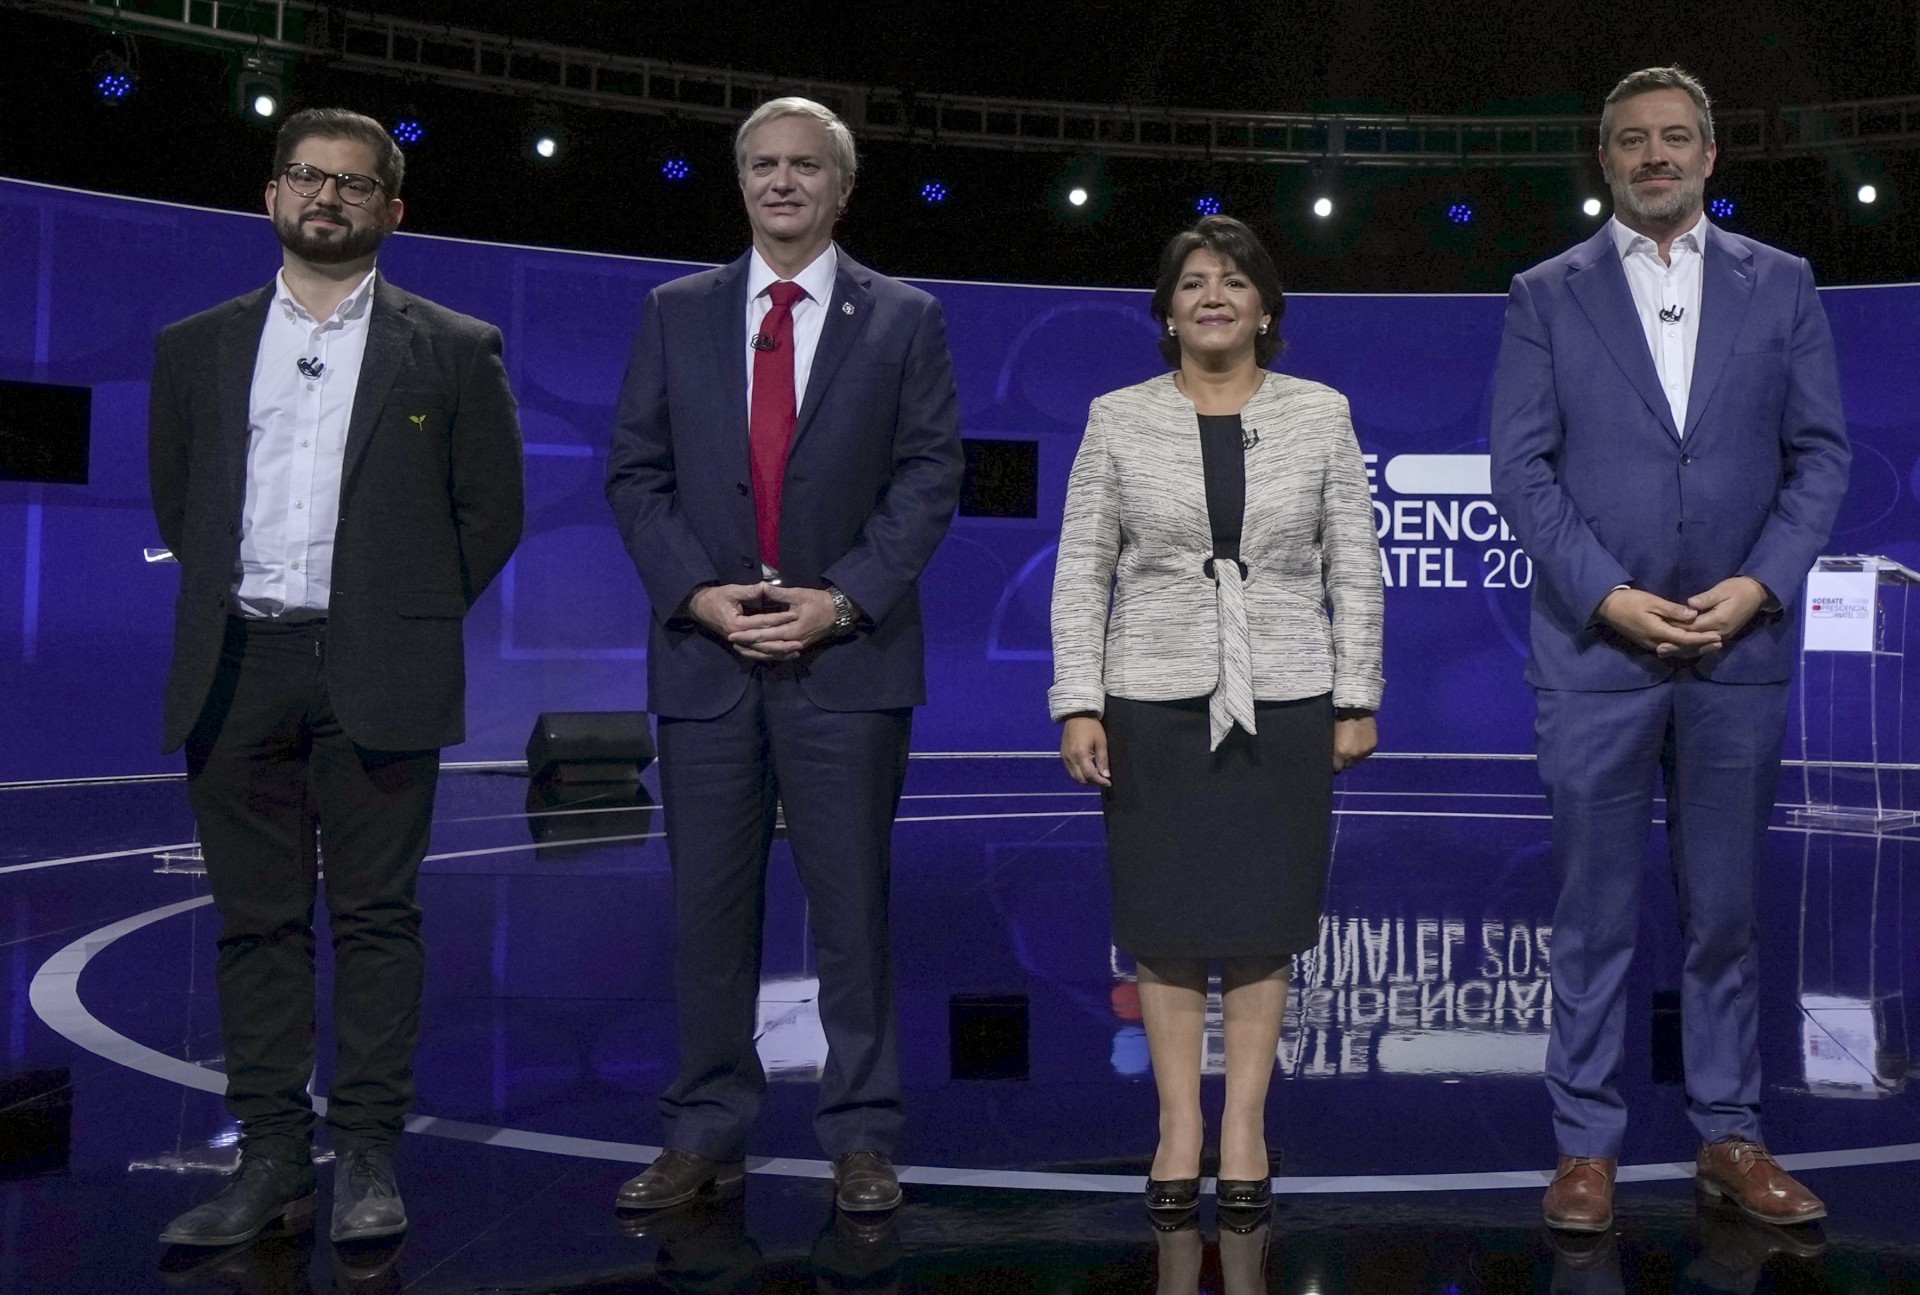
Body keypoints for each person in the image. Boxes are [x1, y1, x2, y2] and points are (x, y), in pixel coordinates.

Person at [148, 107, 524, 1247]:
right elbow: (183, 499)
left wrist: (396, 617)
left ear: (390, 211)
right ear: (271, 196)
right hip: (237, 664)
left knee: (376, 921)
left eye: (355, 185)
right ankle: (270, 1159)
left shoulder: (455, 347)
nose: (328, 197)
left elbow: (490, 514)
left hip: (377, 669)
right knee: (255, 926)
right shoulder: (195, 345)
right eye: (307, 177)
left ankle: (365, 1154)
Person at [1489, 66, 1850, 1233]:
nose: (1656, 156)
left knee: (1725, 912)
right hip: (1600, 653)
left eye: (1676, 138)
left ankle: (1729, 1134)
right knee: (1593, 912)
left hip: (1738, 650)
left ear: (1710, 155)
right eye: (1634, 141)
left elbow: (1822, 457)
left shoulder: (1784, 284)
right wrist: (1609, 597)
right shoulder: (1545, 293)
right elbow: (1522, 470)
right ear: (1606, 162)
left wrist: (1758, 585)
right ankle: (1585, 1144)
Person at [605, 96, 963, 1215]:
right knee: (709, 913)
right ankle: (705, 1128)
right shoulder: (676, 311)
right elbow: (636, 473)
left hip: (845, 662)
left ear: (841, 187)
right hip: (709, 663)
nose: (781, 183)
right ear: (741, 180)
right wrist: (700, 595)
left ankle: (860, 1134)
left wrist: (842, 599)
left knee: (851, 909)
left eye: (805, 166)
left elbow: (928, 475)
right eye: (762, 165)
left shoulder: (904, 318)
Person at [1049, 215, 1384, 1224]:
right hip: (1150, 697)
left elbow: (1353, 566)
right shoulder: (1116, 417)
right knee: (1164, 922)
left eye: (1233, 281)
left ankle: (1242, 1121)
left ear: (1265, 309)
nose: (1212, 294)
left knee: (1258, 923)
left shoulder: (1322, 413)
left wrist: (1357, 693)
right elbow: (1082, 571)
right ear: (1167, 311)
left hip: (1283, 693)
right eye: (1192, 280)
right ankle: (1175, 1125)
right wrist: (1078, 698)